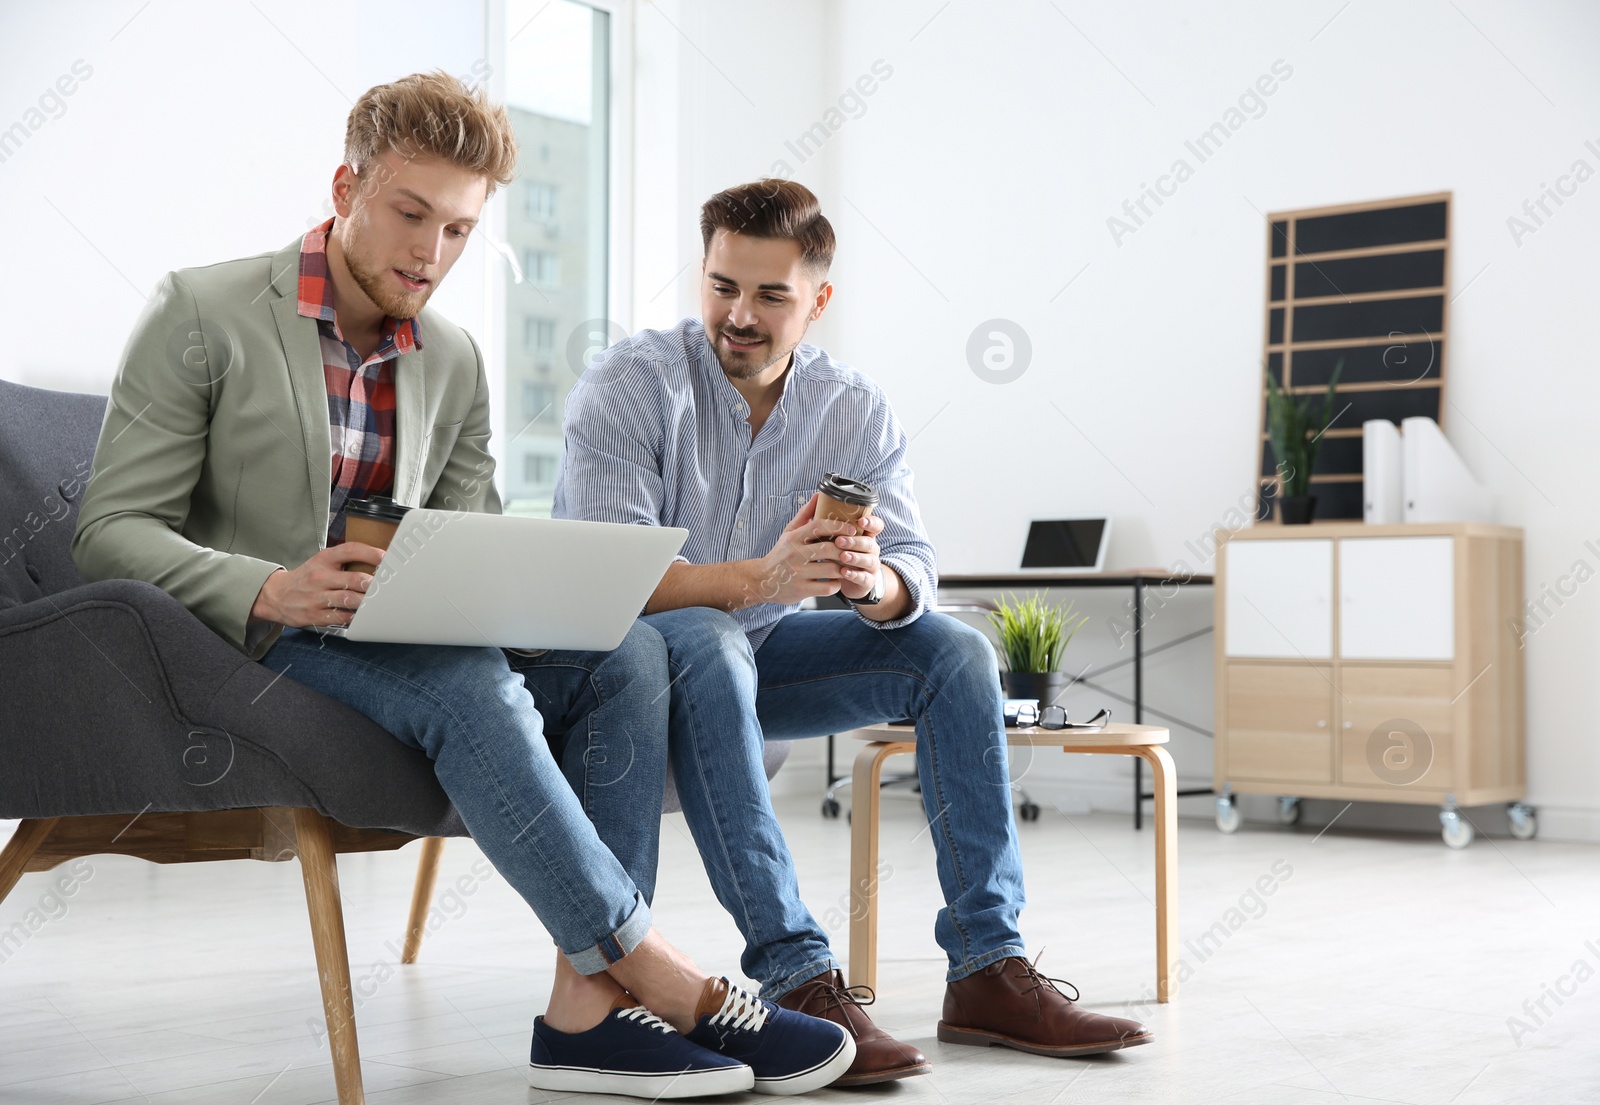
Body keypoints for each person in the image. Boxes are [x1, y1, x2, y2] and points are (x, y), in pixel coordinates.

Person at [71, 78, 851, 1099]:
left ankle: (585, 1021)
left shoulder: (453, 358)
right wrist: (272, 585)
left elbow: (464, 537)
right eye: (409, 214)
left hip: (402, 630)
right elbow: (107, 532)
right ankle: (658, 977)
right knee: (466, 685)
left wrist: (534, 597)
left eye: (457, 230)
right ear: (346, 187)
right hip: (256, 637)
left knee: (638, 648)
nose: (429, 253)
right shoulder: (204, 309)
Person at [554, 178, 1153, 1085]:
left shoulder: (855, 407)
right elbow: (615, 587)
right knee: (713, 641)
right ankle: (797, 977)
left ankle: (988, 970)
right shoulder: (631, 388)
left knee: (954, 651)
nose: (739, 315)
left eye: (771, 295)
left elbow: (916, 563)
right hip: (630, 666)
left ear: (819, 300)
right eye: (722, 286)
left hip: (760, 656)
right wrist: (766, 577)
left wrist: (873, 583)